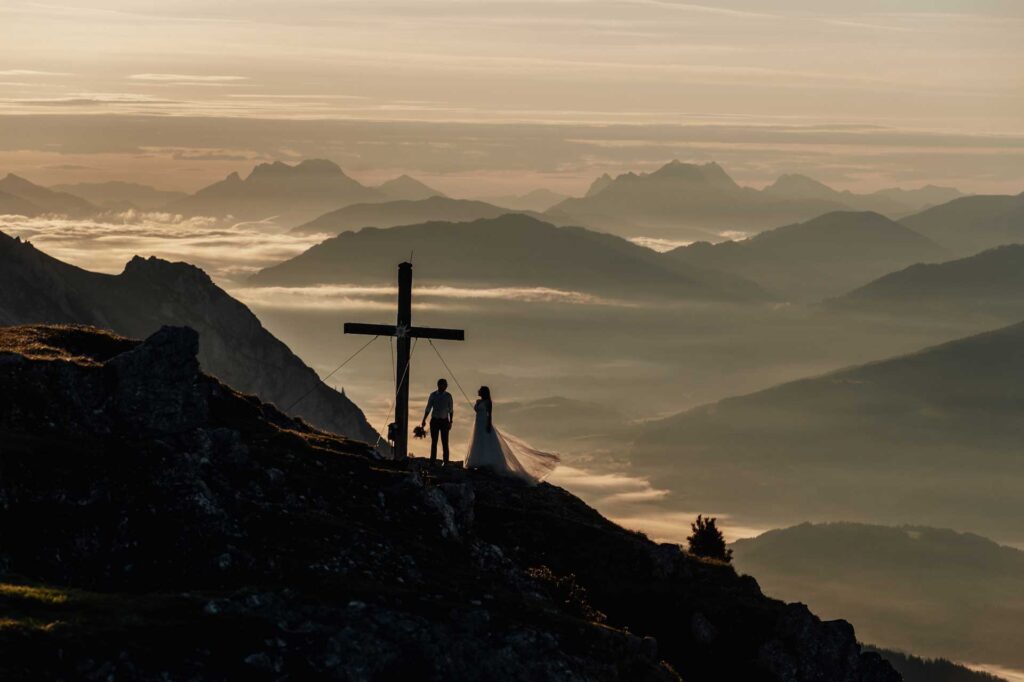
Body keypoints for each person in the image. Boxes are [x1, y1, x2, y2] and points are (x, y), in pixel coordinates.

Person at [465, 386, 560, 484]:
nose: (478, 391)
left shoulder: (488, 402)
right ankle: (479, 461)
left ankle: (486, 462)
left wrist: (488, 425)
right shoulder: (478, 401)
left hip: (484, 423)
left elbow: (490, 415)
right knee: (479, 442)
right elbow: (477, 411)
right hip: (477, 424)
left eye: (480, 390)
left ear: (483, 392)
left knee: (485, 442)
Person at [421, 378, 454, 465]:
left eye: (446, 385)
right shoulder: (433, 395)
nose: (446, 386)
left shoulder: (448, 396)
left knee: (445, 442)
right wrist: (424, 419)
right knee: (434, 441)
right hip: (435, 420)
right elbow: (428, 408)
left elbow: (451, 410)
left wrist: (451, 422)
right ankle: (432, 460)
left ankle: (445, 461)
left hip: (444, 421)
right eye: (444, 384)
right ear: (439, 385)